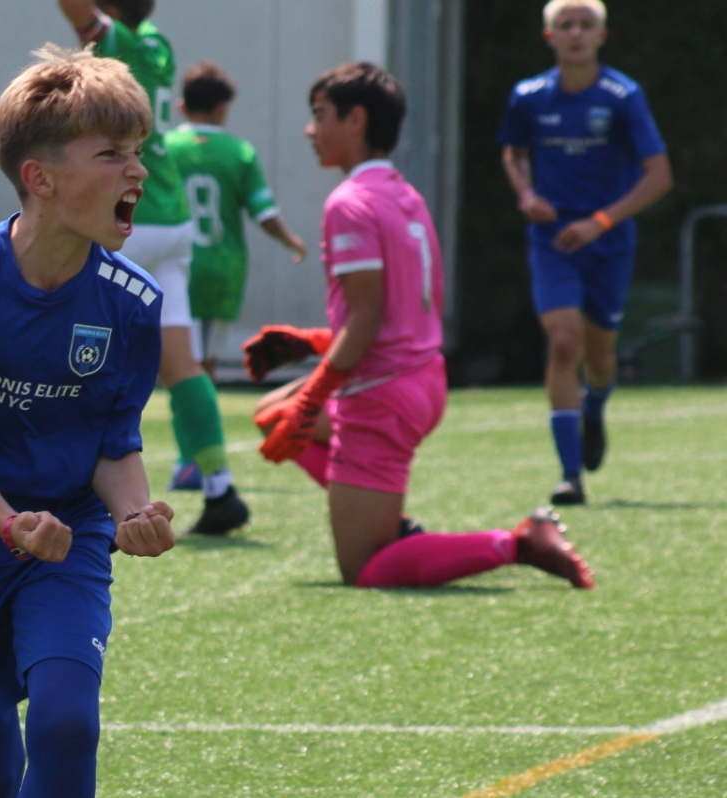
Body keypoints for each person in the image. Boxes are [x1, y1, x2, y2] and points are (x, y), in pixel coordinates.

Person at [0, 46, 176, 798]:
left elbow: (113, 445)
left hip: (69, 541)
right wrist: (9, 522)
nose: (137, 172)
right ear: (40, 179)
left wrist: (135, 513)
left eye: (138, 152)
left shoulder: (132, 302)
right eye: (111, 154)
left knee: (65, 722)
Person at [246, 61, 593, 591]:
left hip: (382, 394)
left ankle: (519, 541)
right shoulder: (403, 193)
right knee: (273, 415)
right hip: (423, 377)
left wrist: (314, 396)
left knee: (365, 568)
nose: (310, 130)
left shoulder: (350, 202)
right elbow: (406, 310)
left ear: (355, 119)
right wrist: (311, 342)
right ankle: (389, 521)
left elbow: (367, 316)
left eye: (319, 115)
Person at [57, 0, 247, 534]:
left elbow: (79, 14)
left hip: (129, 211)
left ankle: (72, 481)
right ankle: (219, 486)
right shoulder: (157, 44)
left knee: (72, 339)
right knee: (182, 365)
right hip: (171, 214)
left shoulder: (118, 39)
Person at [498, 0, 671, 505]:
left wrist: (599, 223)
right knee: (565, 342)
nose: (575, 33)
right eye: (565, 25)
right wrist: (526, 195)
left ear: (602, 36)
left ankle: (595, 407)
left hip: (608, 241)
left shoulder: (623, 97)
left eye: (585, 25)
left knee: (599, 357)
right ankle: (570, 474)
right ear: (549, 37)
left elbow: (659, 175)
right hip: (553, 242)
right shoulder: (528, 97)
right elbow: (513, 150)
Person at [166, 61, 309, 377]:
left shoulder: (165, 148)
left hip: (173, 262)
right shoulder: (239, 152)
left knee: (173, 355)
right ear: (222, 107)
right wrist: (291, 240)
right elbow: (264, 212)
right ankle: (204, 421)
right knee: (207, 363)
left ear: (181, 106)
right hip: (222, 267)